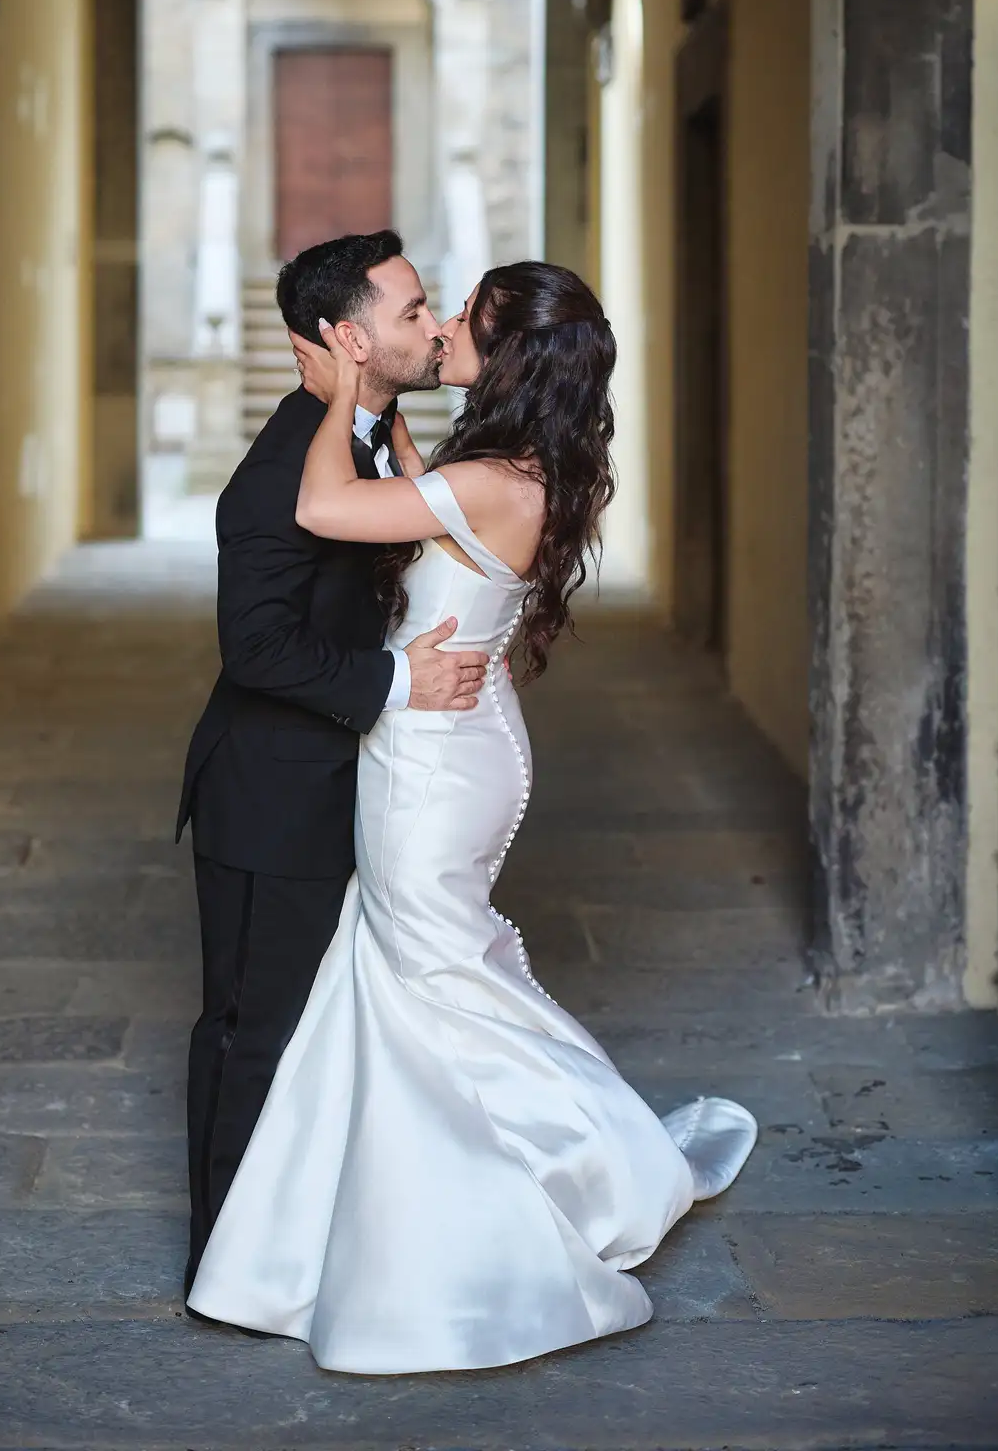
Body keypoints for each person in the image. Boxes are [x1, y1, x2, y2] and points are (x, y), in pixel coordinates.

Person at [187, 259, 758, 1374]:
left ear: (501, 359)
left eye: (460, 318)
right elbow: (421, 518)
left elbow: (320, 509)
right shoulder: (508, 465)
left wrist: (345, 389)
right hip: (457, 739)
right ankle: (565, 1161)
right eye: (424, 308)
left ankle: (498, 1211)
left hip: (434, 765)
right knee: (445, 973)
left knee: (434, 981)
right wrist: (388, 433)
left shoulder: (497, 474)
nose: (439, 324)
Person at [177, 231, 491, 1299]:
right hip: (267, 796)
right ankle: (223, 1260)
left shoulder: (362, 435)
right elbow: (255, 649)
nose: (433, 324)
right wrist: (402, 684)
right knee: (251, 1028)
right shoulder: (278, 476)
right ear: (350, 337)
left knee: (311, 1025)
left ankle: (297, 1235)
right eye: (412, 312)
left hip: (332, 785)